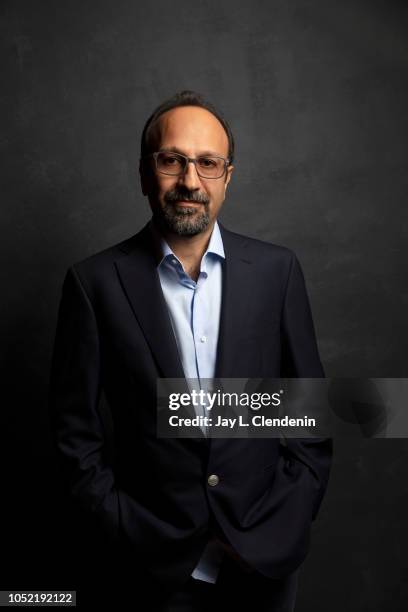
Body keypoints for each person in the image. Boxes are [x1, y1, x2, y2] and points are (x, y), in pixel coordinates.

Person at [49, 90, 332, 611]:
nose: (189, 181)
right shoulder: (93, 284)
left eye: (208, 163)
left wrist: (285, 521)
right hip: (148, 569)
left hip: (263, 563)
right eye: (171, 160)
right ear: (143, 173)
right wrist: (123, 527)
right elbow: (73, 434)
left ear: (228, 177)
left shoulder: (278, 272)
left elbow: (308, 415)